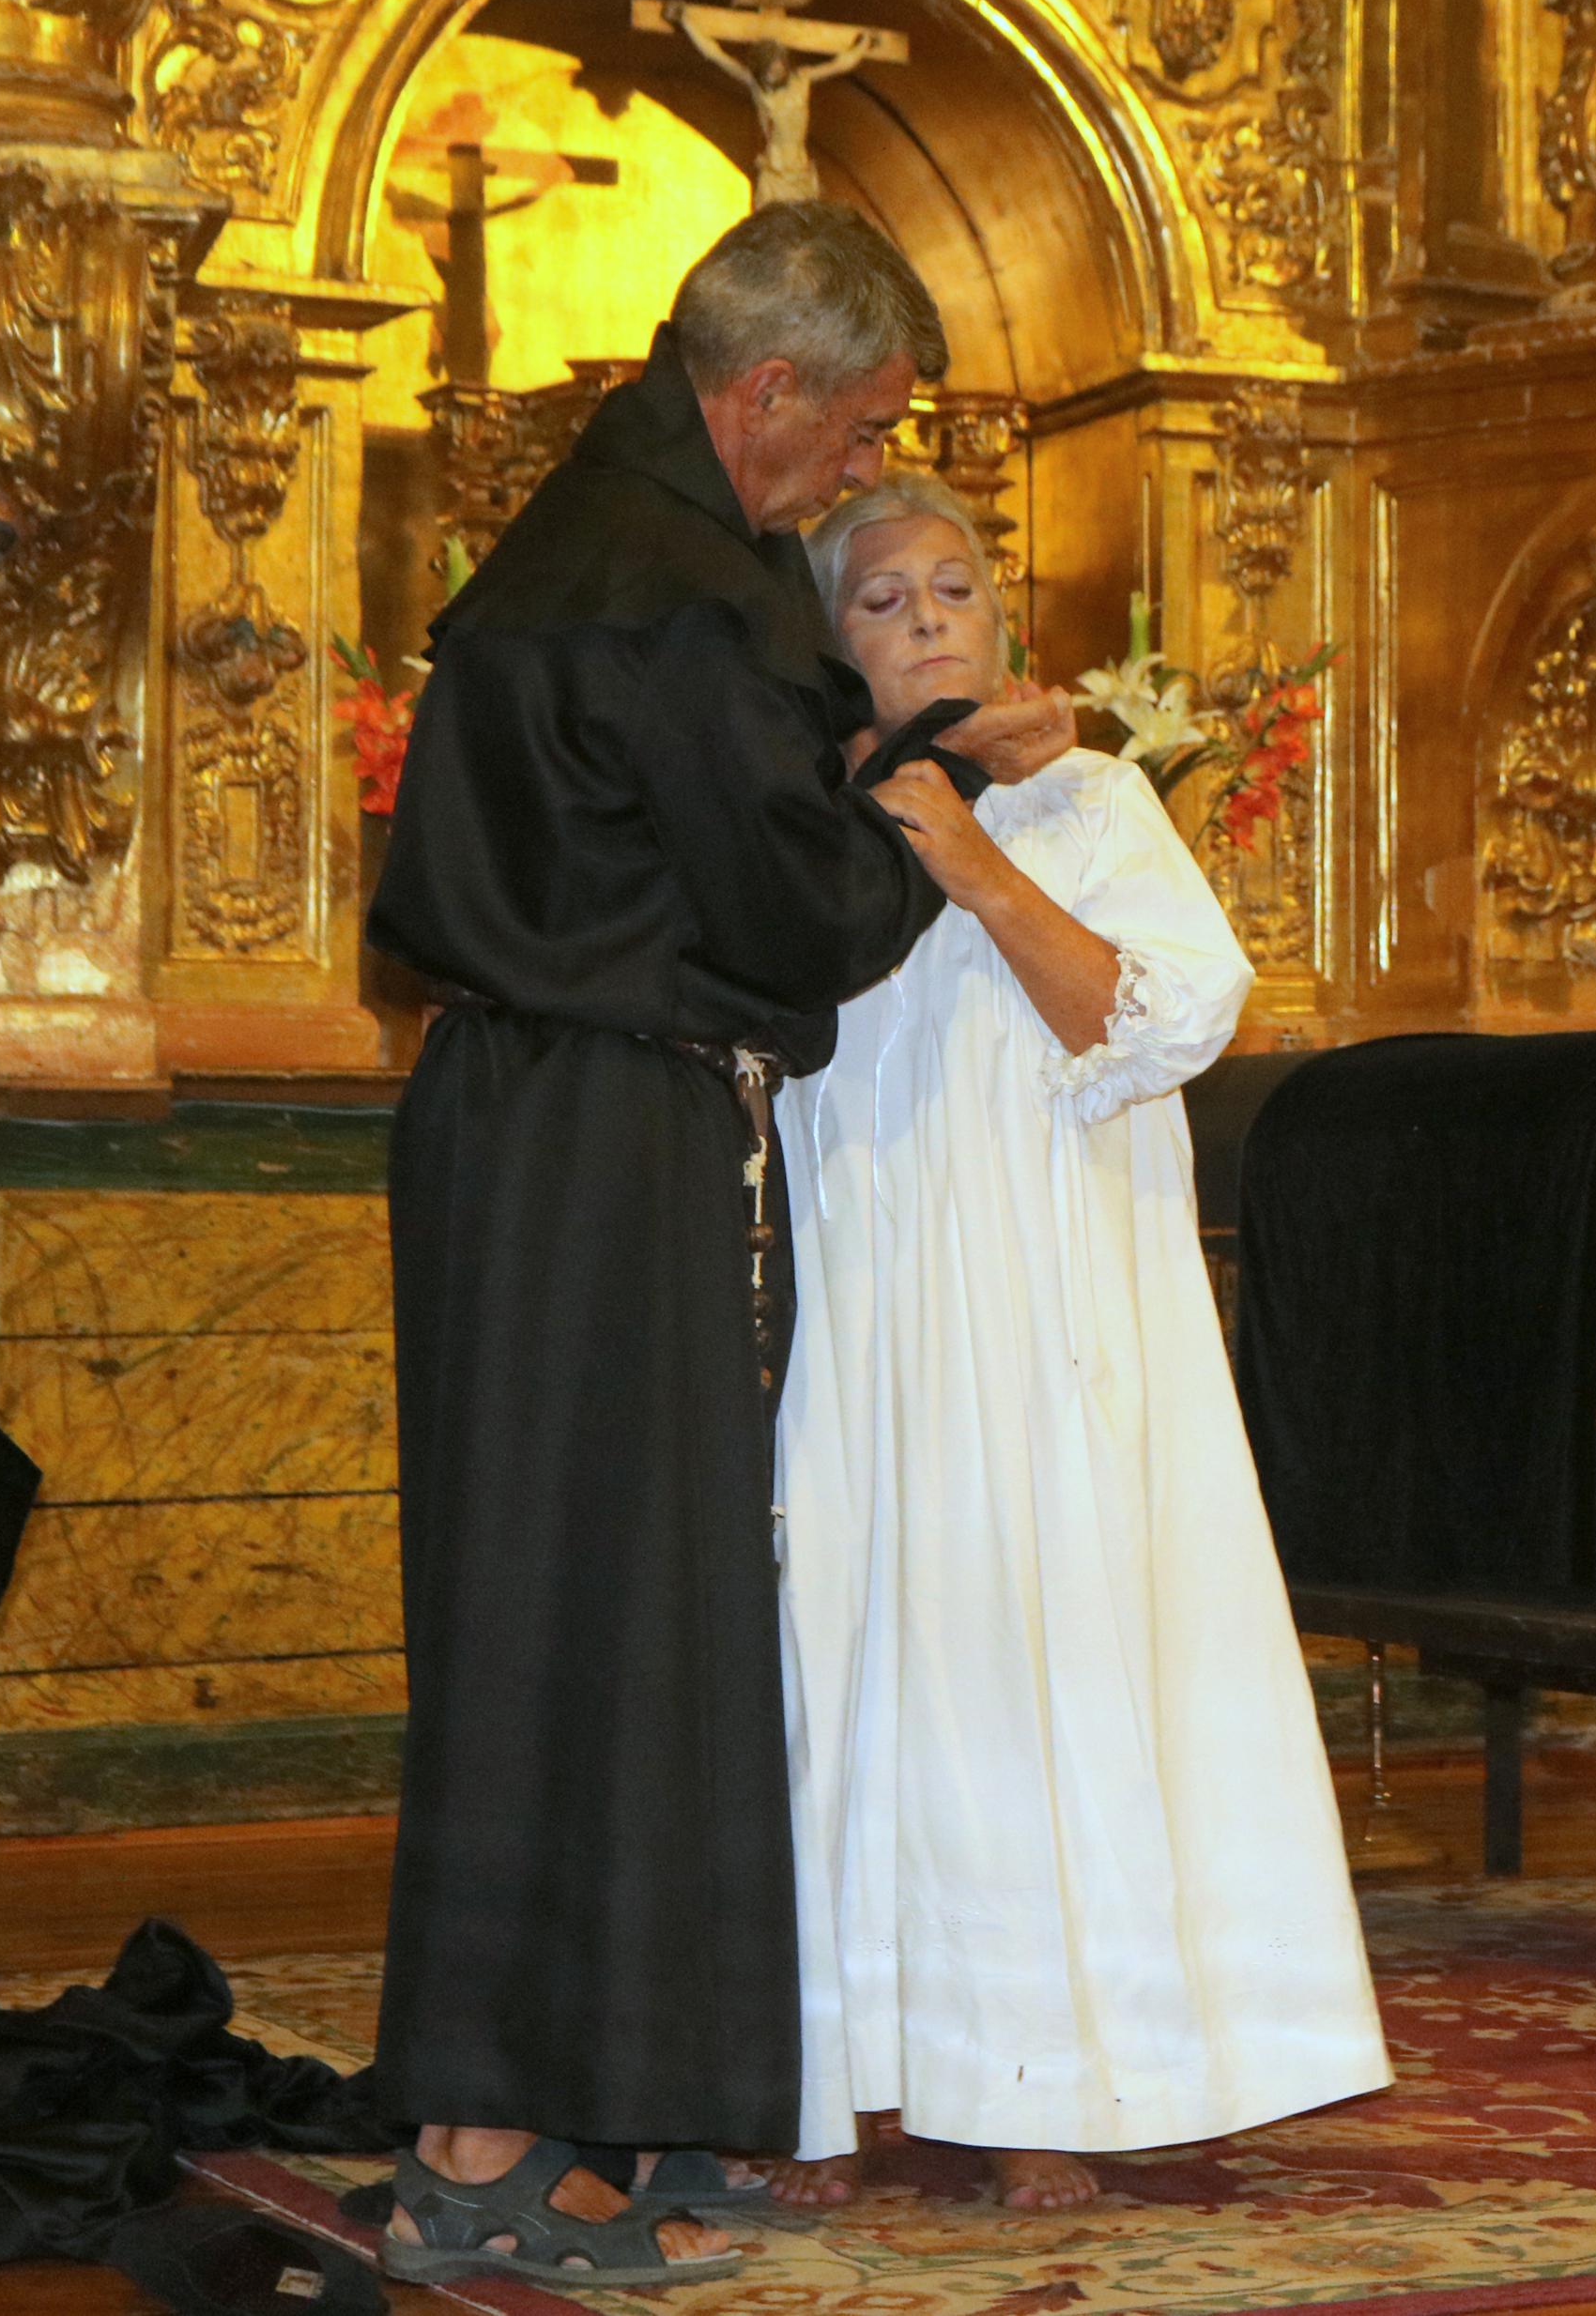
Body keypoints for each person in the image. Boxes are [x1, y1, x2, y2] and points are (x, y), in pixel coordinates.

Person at [364, 206, 1069, 2288]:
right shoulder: (674, 590)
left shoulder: (593, 533)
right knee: (572, 1616)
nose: (854, 471)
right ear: (760, 393)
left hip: (541, 1110)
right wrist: (934, 768)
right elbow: (803, 922)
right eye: (852, 431)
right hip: (592, 1121)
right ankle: (486, 2139)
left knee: (623, 1607)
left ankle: (613, 2100)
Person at [769, 471, 1389, 2214]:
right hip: (871, 1313)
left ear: (1000, 606)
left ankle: (1045, 2087)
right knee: (857, 1661)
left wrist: (971, 861)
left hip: (1048, 1315)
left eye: (951, 586)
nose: (925, 619)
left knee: (1030, 1668)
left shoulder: (1090, 794)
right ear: (834, 644)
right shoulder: (815, 820)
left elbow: (1170, 1014)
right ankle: (853, 2081)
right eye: (880, 602)